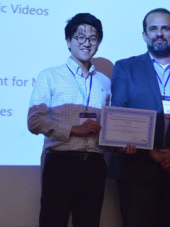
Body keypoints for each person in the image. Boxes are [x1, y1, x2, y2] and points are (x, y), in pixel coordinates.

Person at [108, 8, 170, 227]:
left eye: (165, 28)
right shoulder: (126, 68)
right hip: (137, 172)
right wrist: (148, 150)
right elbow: (119, 111)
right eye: (153, 28)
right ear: (145, 35)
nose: (159, 33)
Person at [27, 13, 110, 227]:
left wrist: (122, 142)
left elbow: (111, 127)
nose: (86, 42)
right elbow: (34, 121)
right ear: (68, 41)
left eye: (93, 38)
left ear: (98, 44)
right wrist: (73, 129)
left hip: (94, 165)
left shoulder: (105, 82)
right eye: (80, 36)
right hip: (60, 164)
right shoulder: (49, 76)